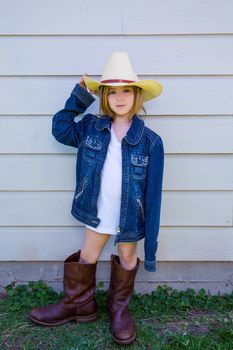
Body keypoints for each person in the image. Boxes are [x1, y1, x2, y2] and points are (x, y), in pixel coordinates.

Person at [28, 51, 164, 345]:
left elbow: (153, 195)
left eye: (126, 90)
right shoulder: (91, 127)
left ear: (137, 95)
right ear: (103, 96)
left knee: (127, 257)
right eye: (111, 91)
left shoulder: (151, 141)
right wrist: (79, 97)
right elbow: (61, 129)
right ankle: (79, 304)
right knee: (88, 255)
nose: (119, 98)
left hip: (130, 215)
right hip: (97, 210)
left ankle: (118, 310)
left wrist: (150, 244)